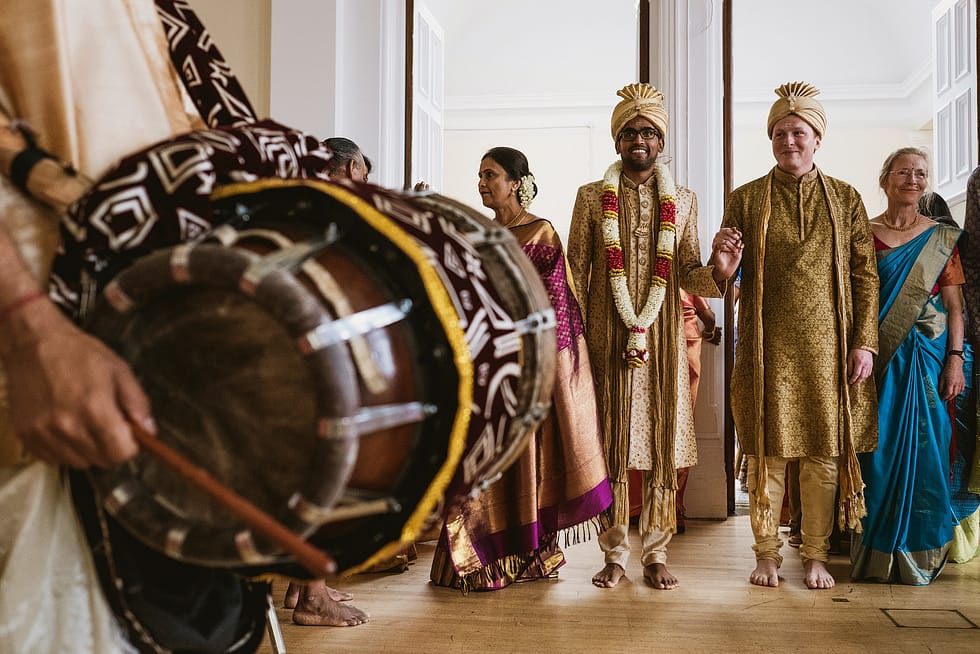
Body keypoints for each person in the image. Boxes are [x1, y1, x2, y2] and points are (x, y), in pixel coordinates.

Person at [567, 83, 740, 591]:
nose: (638, 140)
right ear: (616, 141)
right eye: (628, 132)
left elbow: (689, 271)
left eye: (648, 132)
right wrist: (574, 342)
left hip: (663, 340)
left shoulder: (682, 201)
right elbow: (577, 272)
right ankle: (615, 554)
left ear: (660, 143)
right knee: (615, 445)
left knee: (662, 443)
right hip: (607, 340)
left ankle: (657, 553)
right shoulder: (590, 198)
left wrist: (721, 271)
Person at [429, 146, 612, 590]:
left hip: (524, 370)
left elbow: (553, 306)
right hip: (484, 371)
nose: (482, 183)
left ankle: (527, 555)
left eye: (490, 175)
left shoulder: (541, 233)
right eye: (479, 175)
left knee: (522, 458)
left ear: (516, 182)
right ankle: (477, 561)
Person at [721, 81, 879, 590]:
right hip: (765, 349)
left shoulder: (846, 198)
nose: (789, 140)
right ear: (771, 138)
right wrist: (720, 266)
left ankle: (814, 554)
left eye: (799, 132)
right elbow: (719, 273)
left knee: (821, 456)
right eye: (781, 132)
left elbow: (864, 276)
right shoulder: (746, 199)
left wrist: (865, 341)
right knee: (765, 454)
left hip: (829, 353)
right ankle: (766, 554)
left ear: (817, 138)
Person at [850, 147, 965, 584]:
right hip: (875, 356)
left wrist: (954, 361)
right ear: (886, 180)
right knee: (874, 453)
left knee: (928, 446)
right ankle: (874, 552)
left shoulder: (941, 239)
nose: (913, 180)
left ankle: (922, 550)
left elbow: (955, 309)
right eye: (904, 172)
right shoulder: (863, 232)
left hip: (927, 358)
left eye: (921, 173)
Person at [675, 290, 720, 534]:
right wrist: (711, 330)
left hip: (647, 336)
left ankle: (638, 506)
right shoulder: (683, 263)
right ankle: (673, 506)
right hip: (685, 336)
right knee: (681, 425)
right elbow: (708, 315)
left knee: (644, 424)